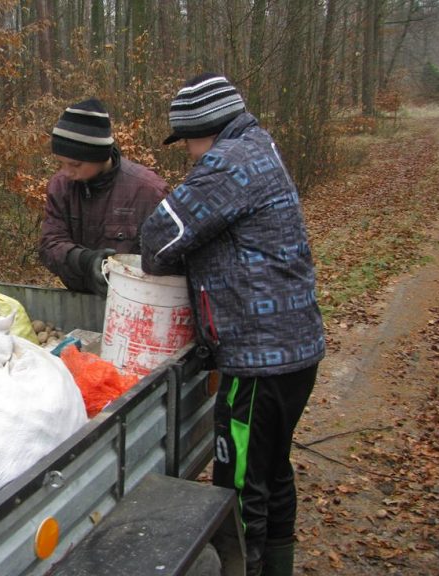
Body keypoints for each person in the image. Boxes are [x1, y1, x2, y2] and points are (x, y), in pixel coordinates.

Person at [140, 73, 325, 576]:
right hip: (295, 348)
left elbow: (158, 237)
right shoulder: (260, 144)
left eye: (188, 142)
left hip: (259, 358)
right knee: (271, 472)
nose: (189, 155)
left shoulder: (228, 163)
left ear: (208, 129)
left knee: (239, 485)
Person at [38, 98, 169, 296]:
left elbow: (167, 260)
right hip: (80, 300)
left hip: (135, 302)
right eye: (61, 163)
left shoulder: (149, 191)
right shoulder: (61, 187)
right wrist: (85, 261)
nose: (66, 172)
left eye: (75, 164)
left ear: (99, 155)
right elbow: (50, 244)